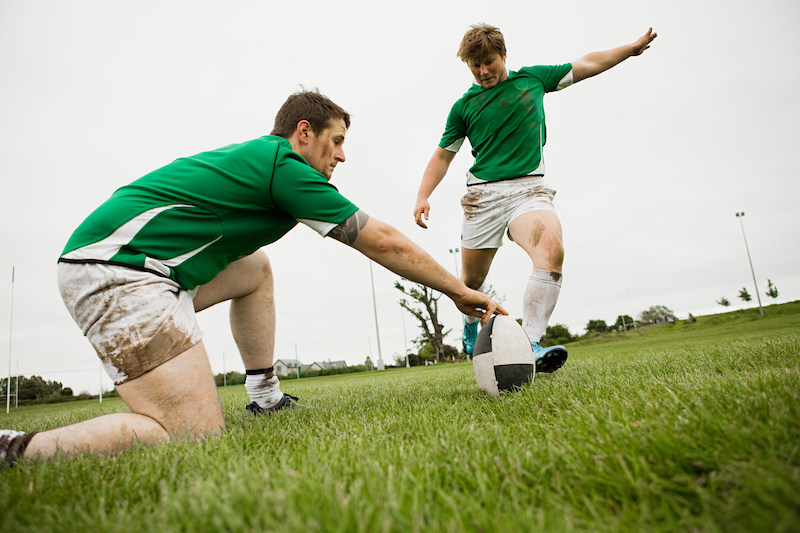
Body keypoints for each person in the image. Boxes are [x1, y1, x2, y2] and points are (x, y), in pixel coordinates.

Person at [0, 90, 506, 467]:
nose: (343, 156)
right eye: (336, 142)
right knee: (191, 435)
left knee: (255, 269)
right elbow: (382, 240)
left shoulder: (265, 162)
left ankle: (264, 396)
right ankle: (16, 449)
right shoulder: (282, 165)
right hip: (117, 273)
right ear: (302, 133)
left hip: (137, 268)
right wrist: (459, 290)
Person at [413, 24, 657, 372]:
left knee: (551, 251)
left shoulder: (533, 80)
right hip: (483, 197)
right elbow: (442, 156)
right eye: (475, 66)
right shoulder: (463, 107)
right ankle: (470, 326)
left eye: (489, 62)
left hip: (529, 190)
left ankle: (529, 344)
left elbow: (586, 64)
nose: (483, 72)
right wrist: (423, 195)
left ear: (504, 55)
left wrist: (629, 50)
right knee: (471, 283)